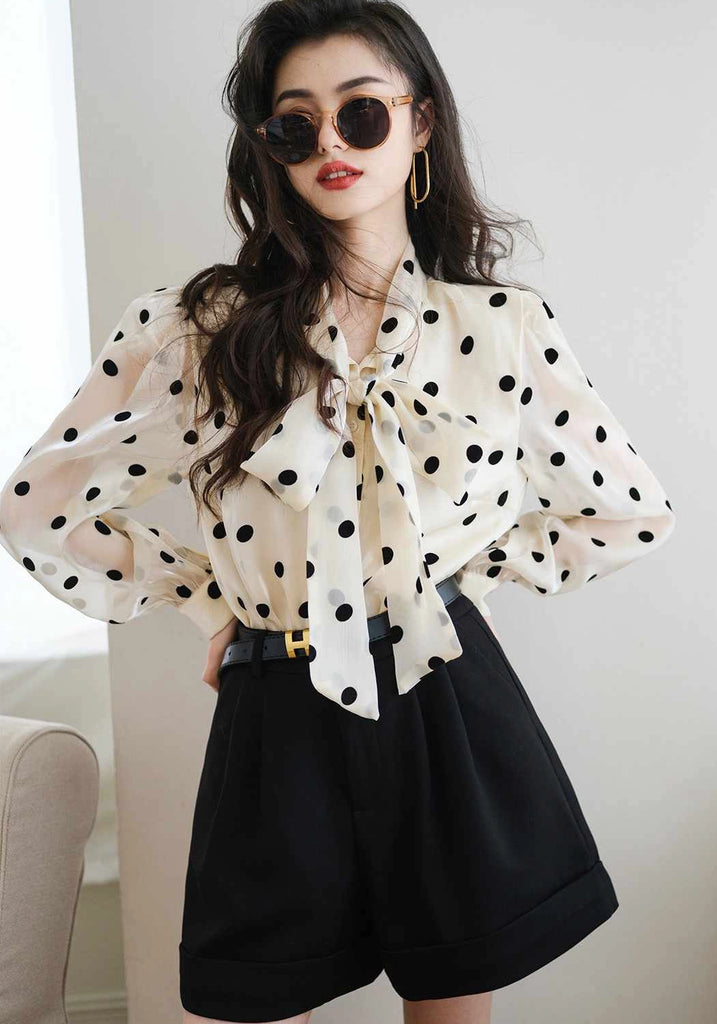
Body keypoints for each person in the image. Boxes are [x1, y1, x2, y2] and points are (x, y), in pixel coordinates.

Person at [0, 1, 677, 1022]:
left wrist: (461, 581)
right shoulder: (202, 332)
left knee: (450, 1000)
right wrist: (207, 603)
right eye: (294, 125)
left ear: (420, 122)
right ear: (268, 150)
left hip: (443, 692)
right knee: (261, 993)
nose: (331, 145)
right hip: (276, 700)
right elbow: (39, 505)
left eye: (360, 113)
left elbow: (627, 508)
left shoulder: (501, 328)